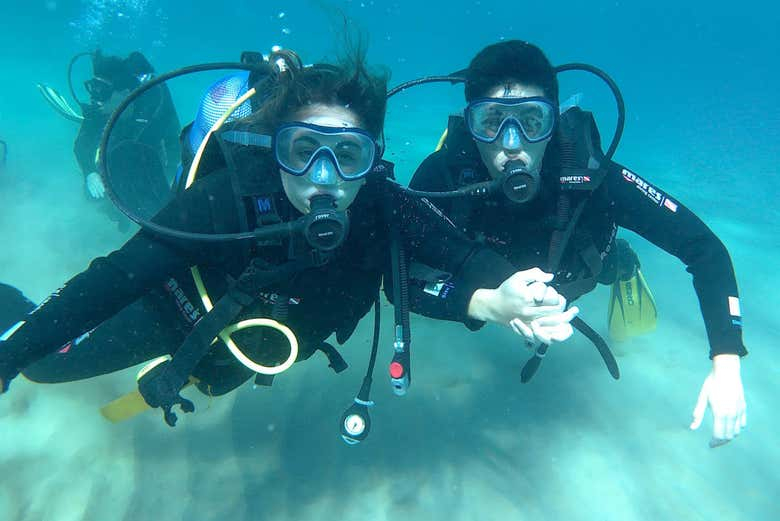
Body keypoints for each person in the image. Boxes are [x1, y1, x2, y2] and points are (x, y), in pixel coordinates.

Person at [0, 47, 563, 441]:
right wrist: (12, 355)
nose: (324, 177)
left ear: (372, 159)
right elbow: (116, 278)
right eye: (303, 151)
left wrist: (508, 287)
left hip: (253, 343)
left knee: (213, 376)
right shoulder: (225, 199)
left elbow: (462, 254)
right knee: (42, 369)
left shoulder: (381, 204)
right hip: (175, 310)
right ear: (276, 150)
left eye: (347, 156)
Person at [401, 40, 747, 447]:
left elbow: (705, 249)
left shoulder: (594, 179)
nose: (511, 143)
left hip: (577, 269)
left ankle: (623, 263)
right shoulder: (443, 179)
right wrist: (486, 305)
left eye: (531, 121)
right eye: (492, 121)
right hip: (489, 276)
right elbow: (402, 281)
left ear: (554, 121)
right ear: (470, 124)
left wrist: (726, 362)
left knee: (606, 263)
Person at [74, 50, 181, 225]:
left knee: (147, 193)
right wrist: (90, 173)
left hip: (151, 145)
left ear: (124, 92)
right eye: (94, 88)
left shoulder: (153, 106)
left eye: (103, 92)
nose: (95, 99)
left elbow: (170, 150)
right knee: (95, 193)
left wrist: (169, 180)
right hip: (122, 130)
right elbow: (81, 144)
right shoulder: (101, 107)